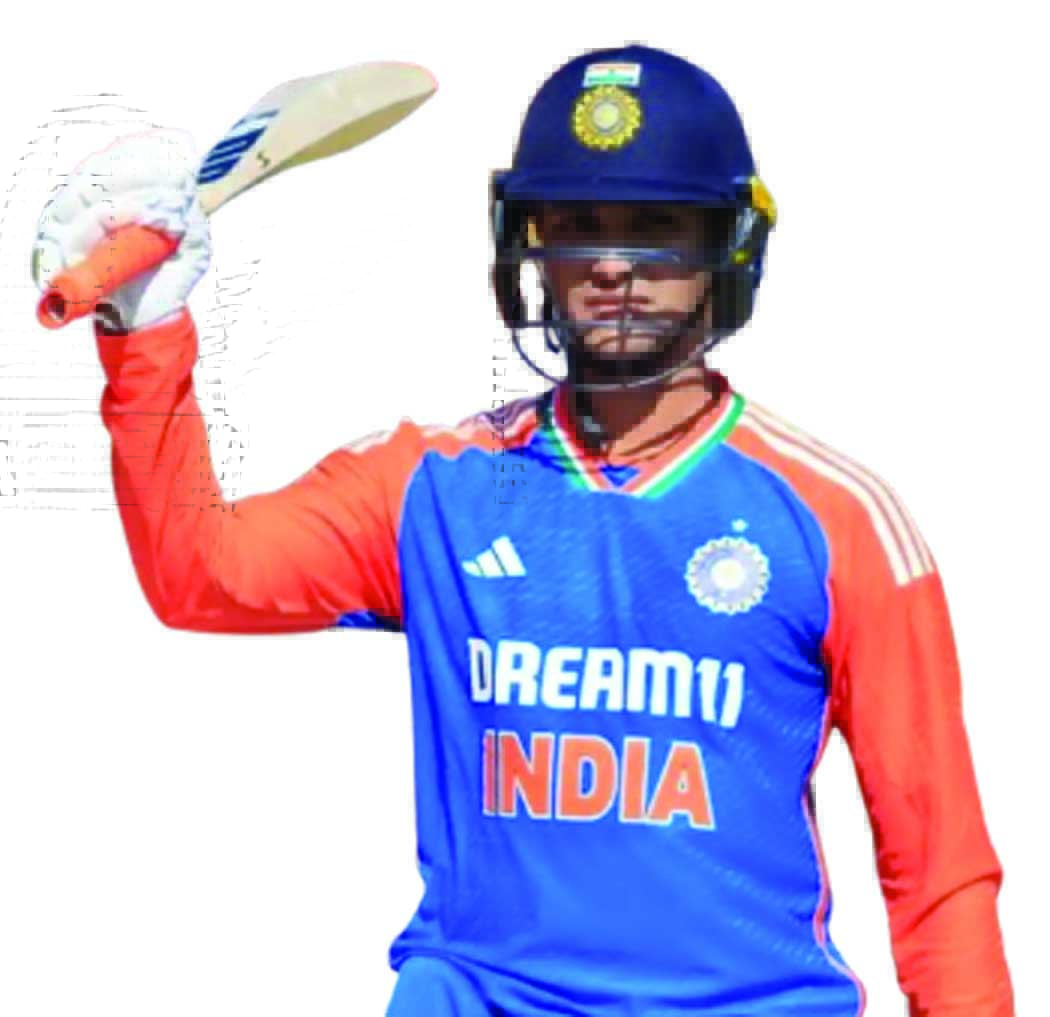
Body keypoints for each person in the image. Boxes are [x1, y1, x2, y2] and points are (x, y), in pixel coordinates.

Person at [33, 43, 1014, 1017]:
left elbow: (938, 868)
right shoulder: (437, 487)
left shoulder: (837, 519)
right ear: (529, 247)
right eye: (579, 226)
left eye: (657, 227)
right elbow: (203, 577)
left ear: (728, 248)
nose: (615, 265)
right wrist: (144, 336)